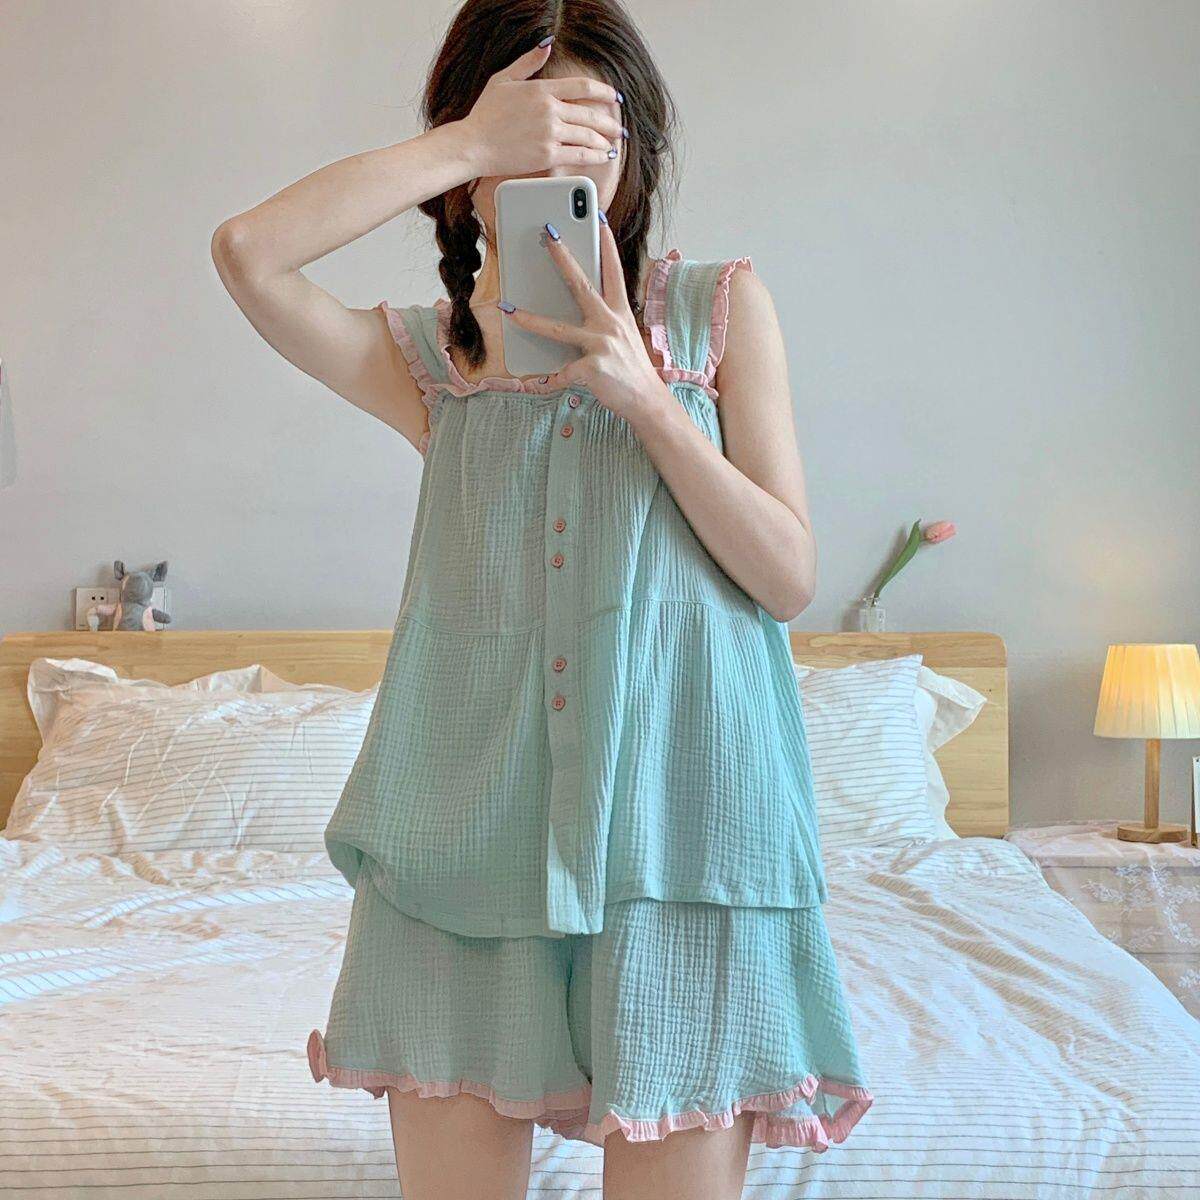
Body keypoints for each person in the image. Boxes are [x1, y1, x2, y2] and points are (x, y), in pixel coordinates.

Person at [211, 3, 872, 1196]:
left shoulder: (716, 313)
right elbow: (248, 251)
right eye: (526, 136)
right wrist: (468, 142)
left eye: (583, 133)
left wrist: (647, 399)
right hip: (461, 860)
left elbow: (786, 576)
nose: (551, 162)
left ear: (635, 154)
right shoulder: (435, 365)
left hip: (686, 851)